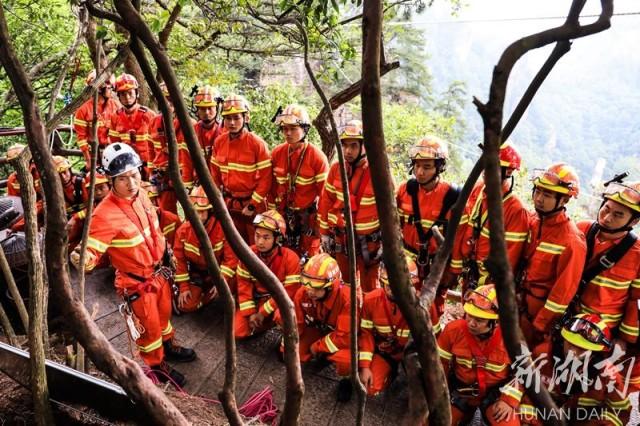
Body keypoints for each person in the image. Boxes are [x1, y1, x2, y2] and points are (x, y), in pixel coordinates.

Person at [70, 142, 195, 387]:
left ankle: (168, 346)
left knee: (163, 316)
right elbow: (91, 251)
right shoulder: (104, 214)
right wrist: (83, 258)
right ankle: (157, 366)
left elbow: (154, 229)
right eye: (123, 179)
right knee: (147, 328)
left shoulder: (142, 196)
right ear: (111, 180)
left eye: (134, 174)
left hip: (158, 273)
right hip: (136, 283)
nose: (131, 183)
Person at [518, 163, 586, 347]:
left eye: (546, 195)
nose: (538, 199)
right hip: (517, 303)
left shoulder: (571, 240)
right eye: (537, 191)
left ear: (564, 200)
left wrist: (540, 325)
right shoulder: (532, 222)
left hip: (537, 316)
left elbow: (563, 293)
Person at [519, 314, 630, 426]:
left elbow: (621, 412)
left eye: (581, 348)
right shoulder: (542, 354)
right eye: (570, 344)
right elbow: (522, 383)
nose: (573, 351)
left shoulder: (608, 375)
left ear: (595, 352)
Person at [449, 142, 529, 296]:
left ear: (508, 172)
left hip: (489, 283)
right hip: (470, 272)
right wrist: (456, 267)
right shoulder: (478, 189)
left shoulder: (515, 210)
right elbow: (464, 228)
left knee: (480, 319)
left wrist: (491, 290)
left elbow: (510, 258)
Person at [396, 135, 459, 329]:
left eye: (427, 167)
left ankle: (432, 351)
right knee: (403, 307)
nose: (420, 172)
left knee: (433, 312)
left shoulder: (452, 196)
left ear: (439, 167)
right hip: (408, 262)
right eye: (417, 166)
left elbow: (458, 238)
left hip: (436, 267)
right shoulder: (405, 191)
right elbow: (393, 225)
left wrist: (452, 272)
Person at [438, 285, 522, 426]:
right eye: (469, 315)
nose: (471, 323)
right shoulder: (453, 330)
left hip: (495, 394)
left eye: (479, 320)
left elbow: (524, 373)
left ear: (496, 321)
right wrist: (440, 395)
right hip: (461, 390)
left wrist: (508, 400)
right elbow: (440, 365)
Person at [318, 119, 381, 293]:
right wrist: (324, 234)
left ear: (364, 146)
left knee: (370, 290)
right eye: (344, 146)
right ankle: (349, 318)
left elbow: (391, 212)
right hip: (341, 241)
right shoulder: (336, 169)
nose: (348, 151)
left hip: (369, 246)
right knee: (345, 287)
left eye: (353, 146)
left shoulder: (378, 173)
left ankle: (366, 319)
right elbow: (326, 201)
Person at [575, 181, 640, 347]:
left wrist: (625, 340)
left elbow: (635, 300)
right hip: (569, 315)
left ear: (634, 221)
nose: (607, 218)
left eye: (618, 215)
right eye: (606, 209)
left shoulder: (637, 253)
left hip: (602, 331)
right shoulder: (581, 230)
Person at [287, 253, 353, 402]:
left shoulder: (347, 300)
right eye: (307, 283)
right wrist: (289, 345)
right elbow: (296, 324)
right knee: (292, 351)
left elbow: (344, 337)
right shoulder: (303, 293)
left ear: (331, 286)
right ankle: (322, 355)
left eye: (316, 287)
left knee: (345, 362)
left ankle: (348, 380)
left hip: (341, 337)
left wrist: (317, 347)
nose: (310, 291)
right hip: (321, 330)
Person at [209, 94, 272, 243]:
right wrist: (218, 201)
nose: (232, 123)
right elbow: (215, 176)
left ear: (245, 117)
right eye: (228, 118)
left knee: (256, 244)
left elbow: (266, 179)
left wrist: (252, 205)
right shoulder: (219, 142)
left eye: (236, 118)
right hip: (230, 203)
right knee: (232, 243)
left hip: (252, 204)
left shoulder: (257, 144)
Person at [269, 104, 328, 257]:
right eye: (285, 128)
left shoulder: (317, 157)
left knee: (310, 255)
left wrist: (321, 224)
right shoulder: (277, 153)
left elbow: (325, 195)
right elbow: (271, 187)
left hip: (308, 216)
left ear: (305, 129)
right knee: (283, 254)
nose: (288, 133)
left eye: (293, 128)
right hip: (283, 214)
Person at [358, 256, 420, 396]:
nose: (392, 289)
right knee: (370, 388)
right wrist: (365, 366)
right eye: (388, 284)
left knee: (421, 386)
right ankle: (390, 373)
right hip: (386, 352)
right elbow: (365, 333)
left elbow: (432, 343)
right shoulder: (371, 300)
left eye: (397, 286)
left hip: (411, 355)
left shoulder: (422, 306)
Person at [235, 210, 300, 338]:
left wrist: (263, 312)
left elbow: (289, 292)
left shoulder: (291, 259)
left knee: (282, 317)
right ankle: (265, 323)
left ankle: (275, 323)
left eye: (266, 237)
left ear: (278, 238)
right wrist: (251, 313)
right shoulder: (249, 254)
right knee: (238, 332)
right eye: (257, 235)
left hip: (279, 304)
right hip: (258, 300)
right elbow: (244, 285)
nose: (259, 242)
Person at [173, 186, 238, 313]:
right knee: (185, 305)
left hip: (219, 273)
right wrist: (184, 287)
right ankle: (207, 297)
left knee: (230, 289)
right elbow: (179, 261)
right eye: (195, 211)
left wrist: (221, 281)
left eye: (202, 212)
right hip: (198, 274)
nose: (198, 216)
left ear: (210, 211)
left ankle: (223, 293)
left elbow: (231, 260)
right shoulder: (183, 231)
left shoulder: (223, 230)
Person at [150, 82, 196, 215]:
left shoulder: (189, 124)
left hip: (183, 176)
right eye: (165, 100)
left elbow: (192, 158)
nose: (168, 104)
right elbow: (150, 151)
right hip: (163, 177)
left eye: (171, 100)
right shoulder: (154, 122)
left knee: (192, 213)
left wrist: (189, 181)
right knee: (166, 214)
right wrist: (151, 172)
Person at [108, 73, 156, 179]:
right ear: (118, 96)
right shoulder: (115, 117)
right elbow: (114, 144)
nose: (127, 97)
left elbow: (157, 144)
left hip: (149, 166)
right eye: (123, 94)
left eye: (130, 93)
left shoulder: (149, 115)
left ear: (137, 93)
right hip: (128, 169)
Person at [73, 70, 119, 167]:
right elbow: (81, 138)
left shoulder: (115, 105)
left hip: (113, 151)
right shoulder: (83, 109)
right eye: (110, 87)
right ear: (99, 88)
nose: (112, 91)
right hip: (94, 154)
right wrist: (88, 160)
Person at [67, 173, 111, 251]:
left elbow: (100, 210)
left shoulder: (114, 200)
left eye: (101, 188)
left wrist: (76, 216)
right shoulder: (94, 203)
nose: (98, 192)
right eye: (94, 189)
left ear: (109, 186)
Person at [193, 85, 223, 164]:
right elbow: (186, 161)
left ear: (217, 109)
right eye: (202, 109)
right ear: (197, 110)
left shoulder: (225, 131)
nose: (206, 112)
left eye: (210, 108)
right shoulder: (192, 131)